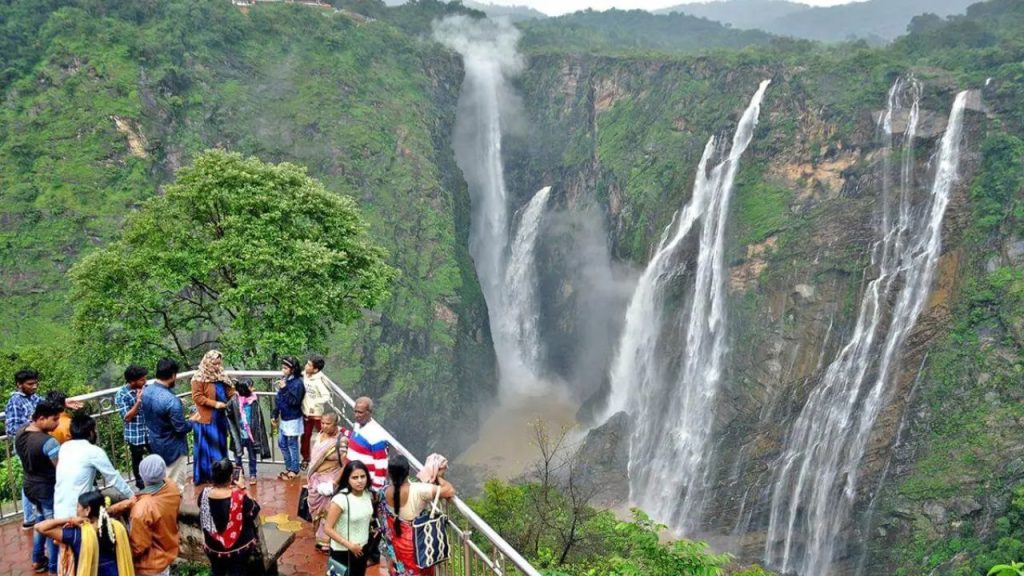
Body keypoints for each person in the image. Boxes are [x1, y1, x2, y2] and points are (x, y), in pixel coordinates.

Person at [380, 455, 455, 576]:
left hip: (396, 542)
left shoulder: (384, 491)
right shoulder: (419, 490)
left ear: (389, 473)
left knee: (402, 571)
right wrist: (438, 476)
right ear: (408, 471)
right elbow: (449, 490)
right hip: (416, 543)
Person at [35, 490, 135, 576]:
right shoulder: (116, 527)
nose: (76, 510)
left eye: (78, 506)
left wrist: (69, 519)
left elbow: (40, 527)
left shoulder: (76, 534)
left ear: (87, 510)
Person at [54, 414, 135, 519]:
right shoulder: (93, 451)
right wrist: (132, 496)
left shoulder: (64, 447)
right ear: (90, 433)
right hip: (79, 513)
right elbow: (113, 478)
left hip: (59, 511)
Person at [15, 400, 63, 575]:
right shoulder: (49, 442)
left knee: (41, 521)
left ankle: (37, 560)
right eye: (55, 419)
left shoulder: (21, 432)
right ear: (41, 418)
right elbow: (60, 468)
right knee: (51, 526)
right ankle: (54, 567)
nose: (57, 423)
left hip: (29, 486)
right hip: (46, 488)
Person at [198, 459, 262, 576]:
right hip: (238, 551)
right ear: (231, 476)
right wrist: (242, 487)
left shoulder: (204, 494)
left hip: (213, 548)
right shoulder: (239, 497)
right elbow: (254, 509)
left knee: (217, 571)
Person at [141, 358, 190, 489]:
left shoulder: (146, 391)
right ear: (173, 375)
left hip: (155, 444)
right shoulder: (171, 401)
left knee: (159, 486)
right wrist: (193, 421)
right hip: (173, 449)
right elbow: (181, 428)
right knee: (176, 488)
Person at [128, 455, 181, 576]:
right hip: (166, 554)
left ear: (142, 475)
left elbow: (138, 546)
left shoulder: (141, 509)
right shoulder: (172, 487)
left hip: (149, 566)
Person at [191, 350, 236, 485]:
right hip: (207, 417)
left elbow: (228, 389)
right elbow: (197, 397)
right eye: (214, 364)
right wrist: (214, 403)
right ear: (208, 362)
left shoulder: (220, 374)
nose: (217, 366)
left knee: (220, 444)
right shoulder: (199, 377)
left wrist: (235, 394)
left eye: (219, 363)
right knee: (209, 448)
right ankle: (211, 476)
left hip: (220, 416)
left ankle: (223, 474)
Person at [306, 412, 348, 551]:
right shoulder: (319, 435)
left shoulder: (341, 441)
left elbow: (346, 464)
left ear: (335, 424)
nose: (324, 426)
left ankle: (326, 541)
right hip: (315, 481)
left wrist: (334, 484)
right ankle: (319, 536)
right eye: (322, 423)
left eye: (328, 424)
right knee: (315, 510)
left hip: (330, 480)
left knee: (327, 511)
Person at [324, 461, 374, 576]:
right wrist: (350, 545)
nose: (360, 481)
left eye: (363, 476)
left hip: (362, 549)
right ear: (347, 479)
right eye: (355, 477)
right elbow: (328, 528)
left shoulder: (367, 494)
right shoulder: (340, 499)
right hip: (342, 551)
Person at [7, 368, 42, 529]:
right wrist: (32, 425)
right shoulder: (15, 401)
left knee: (38, 477)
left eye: (35, 383)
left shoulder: (33, 397)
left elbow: (46, 405)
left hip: (36, 443)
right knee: (30, 479)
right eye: (30, 384)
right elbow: (12, 428)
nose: (34, 386)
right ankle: (29, 517)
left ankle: (39, 512)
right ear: (19, 385)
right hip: (25, 445)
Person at [226, 381, 269, 485]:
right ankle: (239, 474)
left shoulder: (253, 400)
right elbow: (228, 413)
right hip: (239, 433)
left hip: (251, 434)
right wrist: (231, 429)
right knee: (237, 455)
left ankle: (253, 474)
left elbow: (258, 419)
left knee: (252, 455)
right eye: (250, 387)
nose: (252, 388)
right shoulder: (234, 400)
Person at [115, 365, 150, 490]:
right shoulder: (122, 394)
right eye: (141, 380)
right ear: (132, 381)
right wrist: (138, 401)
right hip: (134, 433)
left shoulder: (146, 388)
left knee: (156, 454)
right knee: (137, 459)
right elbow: (127, 417)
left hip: (149, 430)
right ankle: (141, 485)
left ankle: (158, 481)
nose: (145, 381)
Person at [271, 356, 304, 480]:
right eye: (282, 368)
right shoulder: (285, 380)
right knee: (281, 443)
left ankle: (294, 469)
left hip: (293, 418)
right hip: (284, 417)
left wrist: (284, 389)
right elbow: (279, 398)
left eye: (285, 368)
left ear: (292, 369)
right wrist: (274, 414)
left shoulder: (298, 383)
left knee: (292, 444)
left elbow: (294, 402)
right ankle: (289, 466)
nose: (282, 370)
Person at [347, 397, 389, 490]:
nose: (357, 415)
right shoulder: (357, 425)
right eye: (355, 411)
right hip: (352, 480)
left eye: (360, 412)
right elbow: (357, 440)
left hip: (365, 484)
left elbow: (381, 464)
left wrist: (375, 489)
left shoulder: (377, 435)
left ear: (370, 413)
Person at [300, 355, 331, 468]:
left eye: (309, 365)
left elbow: (326, 395)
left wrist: (315, 403)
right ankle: (306, 458)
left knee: (323, 434)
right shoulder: (304, 375)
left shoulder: (319, 380)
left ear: (315, 369)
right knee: (305, 436)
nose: (306, 366)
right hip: (305, 411)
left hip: (316, 413)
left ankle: (326, 456)